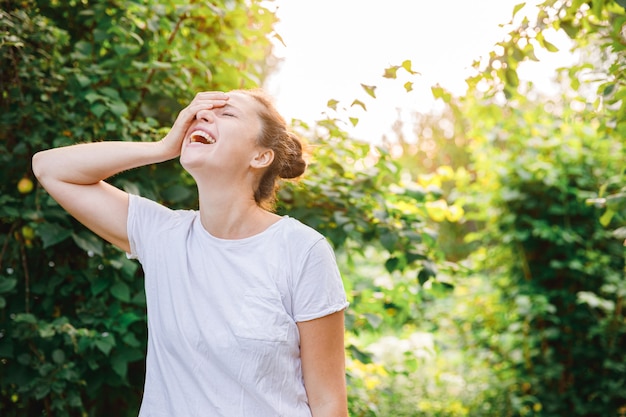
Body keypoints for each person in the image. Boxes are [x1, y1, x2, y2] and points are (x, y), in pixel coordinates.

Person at [32, 89, 350, 417]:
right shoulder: (162, 236)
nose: (203, 115)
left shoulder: (302, 250)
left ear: (260, 156)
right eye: (200, 113)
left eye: (227, 114)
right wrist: (162, 147)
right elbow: (49, 168)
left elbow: (328, 404)